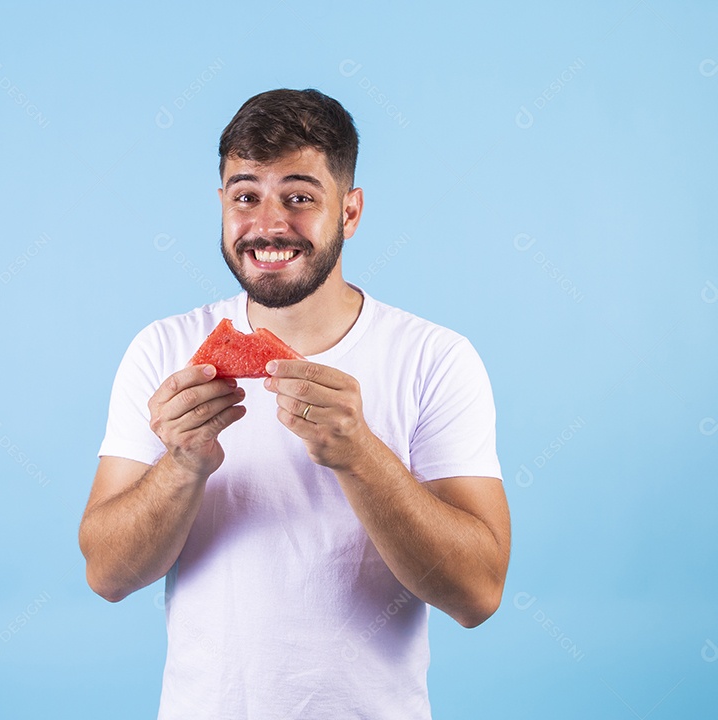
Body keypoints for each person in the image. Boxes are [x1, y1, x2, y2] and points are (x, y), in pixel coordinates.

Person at [79, 88, 510, 719]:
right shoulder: (164, 349)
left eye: (300, 197)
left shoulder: (436, 357)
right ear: (222, 206)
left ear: (351, 212)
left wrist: (360, 454)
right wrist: (182, 465)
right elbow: (107, 575)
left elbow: (477, 594)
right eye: (246, 195)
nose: (268, 225)